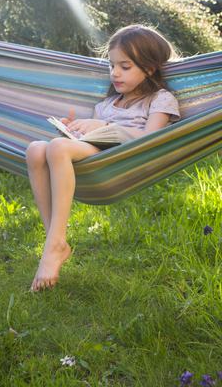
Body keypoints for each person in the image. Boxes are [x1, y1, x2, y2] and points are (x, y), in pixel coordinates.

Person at [26, 24, 180, 290]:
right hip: (96, 156)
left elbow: (151, 139)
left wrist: (105, 128)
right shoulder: (105, 105)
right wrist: (72, 130)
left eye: (125, 66)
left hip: (123, 159)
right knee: (36, 149)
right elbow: (90, 140)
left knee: (57, 148)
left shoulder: (160, 99)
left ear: (150, 68)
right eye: (111, 65)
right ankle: (56, 241)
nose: (115, 73)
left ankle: (55, 244)